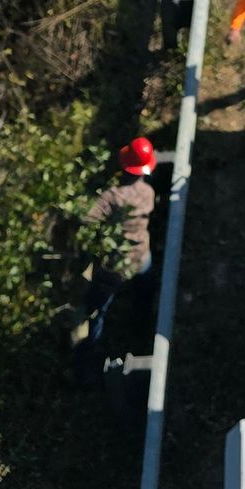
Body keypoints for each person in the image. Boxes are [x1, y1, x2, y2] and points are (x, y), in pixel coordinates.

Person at [83, 137, 158, 351]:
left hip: (116, 264)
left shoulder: (111, 197)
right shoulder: (148, 193)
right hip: (142, 256)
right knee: (144, 293)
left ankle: (90, 351)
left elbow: (86, 219)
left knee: (97, 309)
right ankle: (139, 328)